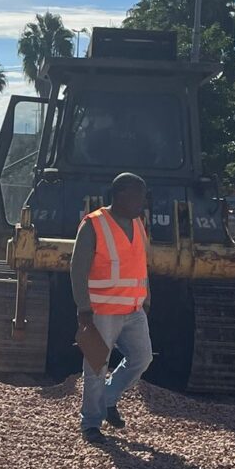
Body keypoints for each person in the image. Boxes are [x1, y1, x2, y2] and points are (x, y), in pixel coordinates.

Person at [70, 172, 153, 444]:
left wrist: (146, 296)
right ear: (119, 195)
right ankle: (91, 423)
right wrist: (83, 308)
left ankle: (108, 398)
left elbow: (140, 264)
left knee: (142, 358)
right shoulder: (94, 224)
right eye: (137, 195)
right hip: (102, 310)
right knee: (96, 366)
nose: (142, 201)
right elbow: (77, 269)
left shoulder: (138, 222)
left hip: (133, 308)